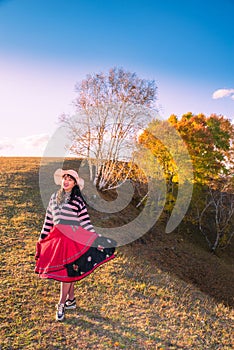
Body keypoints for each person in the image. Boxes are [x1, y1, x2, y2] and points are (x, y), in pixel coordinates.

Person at [35, 168, 116, 321]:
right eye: (65, 178)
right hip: (58, 239)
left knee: (67, 273)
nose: (66, 181)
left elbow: (86, 223)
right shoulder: (54, 198)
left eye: (70, 179)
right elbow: (48, 220)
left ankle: (61, 304)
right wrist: (42, 239)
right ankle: (70, 300)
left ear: (74, 184)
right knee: (69, 272)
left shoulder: (78, 201)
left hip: (74, 239)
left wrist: (96, 238)